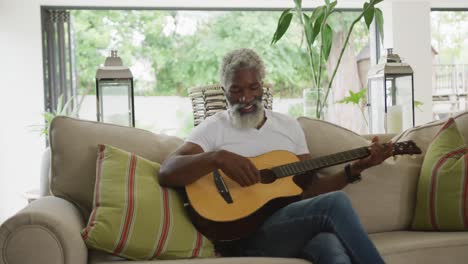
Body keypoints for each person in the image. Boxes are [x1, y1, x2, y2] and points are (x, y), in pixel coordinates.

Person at [159, 48, 392, 264]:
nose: (246, 98)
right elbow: (167, 171)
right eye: (236, 90)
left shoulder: (288, 127)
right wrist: (217, 158)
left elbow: (310, 191)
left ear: (263, 87)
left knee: (329, 246)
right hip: (241, 236)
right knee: (336, 203)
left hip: (287, 230)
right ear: (224, 91)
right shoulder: (213, 128)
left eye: (253, 88)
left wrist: (356, 169)